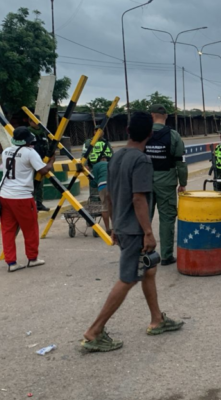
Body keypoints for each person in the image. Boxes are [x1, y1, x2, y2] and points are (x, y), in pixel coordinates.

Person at [82, 111, 184, 353]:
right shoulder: (141, 160)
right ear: (149, 134)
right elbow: (138, 199)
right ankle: (93, 332)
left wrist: (115, 225)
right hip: (135, 230)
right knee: (127, 279)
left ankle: (157, 319)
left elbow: (113, 194)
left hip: (123, 226)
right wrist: (148, 232)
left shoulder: (115, 158)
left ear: (127, 132)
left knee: (149, 270)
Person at [0, 127, 55, 272]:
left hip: (4, 195)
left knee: (7, 230)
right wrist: (51, 161)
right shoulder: (29, 153)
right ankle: (32, 258)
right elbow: (43, 170)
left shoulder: (6, 151)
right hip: (22, 197)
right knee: (30, 229)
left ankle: (11, 262)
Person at [145, 105, 187, 266]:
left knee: (143, 218)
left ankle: (143, 252)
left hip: (145, 182)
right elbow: (180, 163)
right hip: (167, 183)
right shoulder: (174, 135)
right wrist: (183, 183)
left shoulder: (143, 134)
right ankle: (166, 255)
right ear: (166, 116)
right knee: (167, 219)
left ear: (152, 115)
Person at [28, 115, 51, 212]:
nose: (36, 123)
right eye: (34, 121)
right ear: (30, 122)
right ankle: (32, 204)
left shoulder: (43, 132)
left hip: (42, 161)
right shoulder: (28, 132)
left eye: (38, 121)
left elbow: (47, 145)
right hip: (32, 162)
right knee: (33, 184)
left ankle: (39, 204)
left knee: (40, 184)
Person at [90, 155, 112, 234]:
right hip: (113, 184)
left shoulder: (96, 166)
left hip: (102, 185)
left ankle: (107, 229)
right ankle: (115, 228)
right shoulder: (111, 163)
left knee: (105, 206)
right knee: (112, 206)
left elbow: (94, 181)